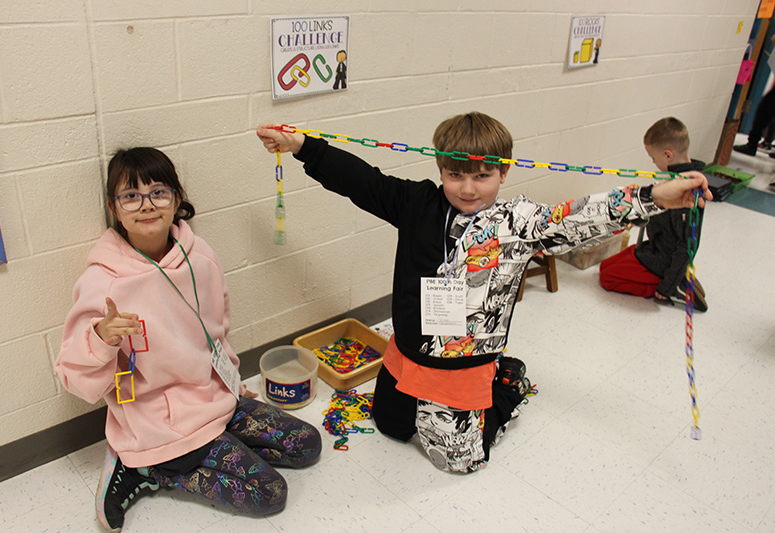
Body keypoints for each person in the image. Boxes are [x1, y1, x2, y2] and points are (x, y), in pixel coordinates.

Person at [256, 112, 712, 473]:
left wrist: (654, 196)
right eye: (455, 175)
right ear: (440, 169)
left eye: (482, 176)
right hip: (407, 352)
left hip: (461, 364)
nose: (468, 188)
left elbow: (578, 217)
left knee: (458, 462)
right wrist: (301, 146)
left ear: (504, 171)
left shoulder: (520, 222)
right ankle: (440, 396)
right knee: (392, 429)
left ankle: (504, 384)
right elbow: (361, 179)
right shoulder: (417, 202)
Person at [56, 148, 321, 532]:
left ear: (177, 199)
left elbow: (215, 330)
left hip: (216, 400)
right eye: (130, 196)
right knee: (270, 493)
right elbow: (73, 378)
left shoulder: (200, 257)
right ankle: (148, 469)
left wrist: (231, 382)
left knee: (305, 443)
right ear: (115, 208)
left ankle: (212, 442)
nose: (146, 205)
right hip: (161, 423)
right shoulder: (103, 282)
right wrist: (100, 338)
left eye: (158, 192)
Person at [599, 117, 708, 312]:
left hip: (663, 260)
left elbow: (687, 247)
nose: (653, 162)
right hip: (654, 247)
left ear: (668, 155)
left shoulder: (688, 192)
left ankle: (676, 286)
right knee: (604, 266)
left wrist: (667, 286)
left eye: (653, 158)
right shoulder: (674, 175)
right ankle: (677, 277)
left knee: (607, 278)